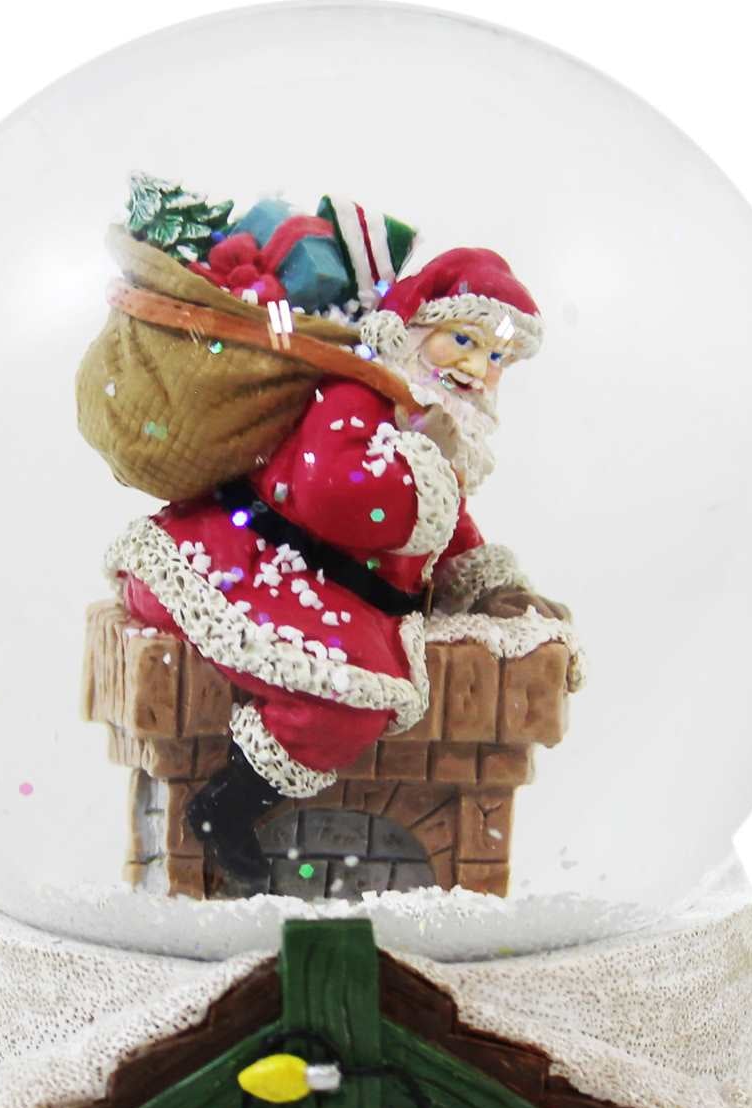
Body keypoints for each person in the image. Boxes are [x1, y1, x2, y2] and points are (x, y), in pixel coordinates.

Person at [106, 247, 569, 884]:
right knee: (346, 700)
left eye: (496, 358)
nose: (475, 367)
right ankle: (227, 806)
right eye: (463, 340)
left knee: (361, 689)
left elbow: (448, 525)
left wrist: (489, 585)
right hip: (245, 564)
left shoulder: (425, 423)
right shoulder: (357, 393)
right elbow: (332, 492)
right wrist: (423, 466)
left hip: (334, 590)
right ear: (413, 330)